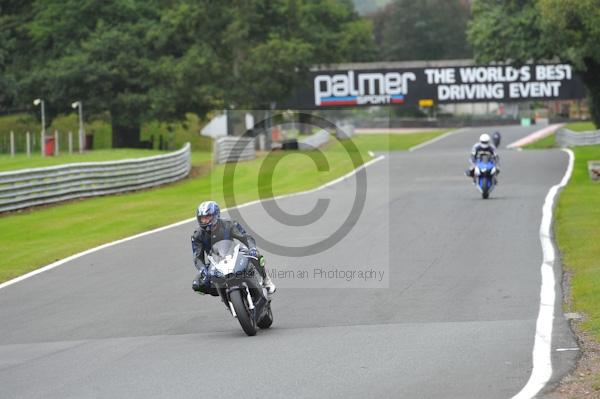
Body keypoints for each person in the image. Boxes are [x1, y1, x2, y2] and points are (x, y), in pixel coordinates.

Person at [191, 200, 276, 296]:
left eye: (208, 217)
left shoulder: (229, 223)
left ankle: (266, 279)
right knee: (197, 285)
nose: (205, 221)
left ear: (216, 215)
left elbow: (246, 237)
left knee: (256, 256)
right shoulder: (197, 235)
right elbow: (197, 257)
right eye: (202, 218)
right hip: (215, 261)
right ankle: (224, 294)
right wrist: (203, 270)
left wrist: (252, 248)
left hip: (235, 252)